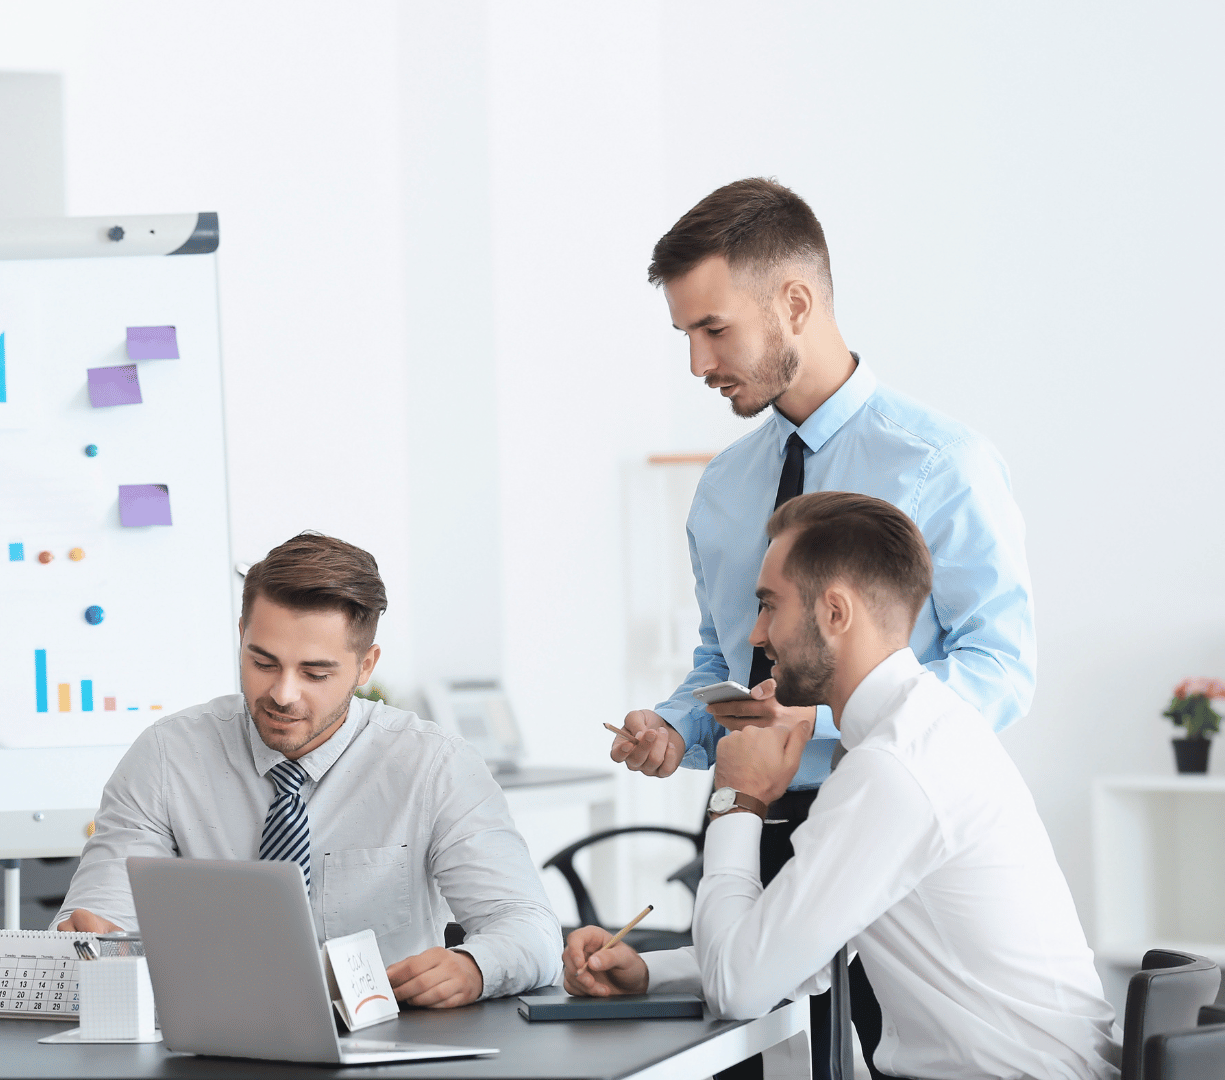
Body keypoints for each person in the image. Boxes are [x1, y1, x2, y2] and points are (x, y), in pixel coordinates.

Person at [610, 178, 1036, 1078]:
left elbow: (999, 666)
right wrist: (675, 728)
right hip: (748, 822)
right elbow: (720, 662)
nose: (696, 363)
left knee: (900, 1057)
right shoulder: (723, 490)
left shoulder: (943, 467)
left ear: (794, 302)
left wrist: (838, 729)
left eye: (713, 329)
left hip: (893, 817)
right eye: (684, 334)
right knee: (738, 1047)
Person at [570, 493, 1117, 1080]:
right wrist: (652, 971)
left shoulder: (894, 766)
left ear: (835, 612)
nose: (756, 635)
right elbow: (804, 948)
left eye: (768, 605)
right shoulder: (919, 730)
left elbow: (739, 989)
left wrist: (738, 797)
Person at [56, 533, 559, 1006]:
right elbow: (99, 919)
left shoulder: (434, 765)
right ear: (241, 636)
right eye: (263, 662)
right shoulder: (167, 757)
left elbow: (529, 927)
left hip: (389, 1042)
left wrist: (474, 967)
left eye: (316, 673)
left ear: (365, 667)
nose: (283, 693)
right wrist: (89, 939)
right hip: (207, 1038)